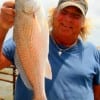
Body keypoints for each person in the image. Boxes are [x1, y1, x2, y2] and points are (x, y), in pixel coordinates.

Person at [0, 0, 100, 100]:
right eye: (64, 12)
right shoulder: (23, 39)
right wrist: (2, 26)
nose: (68, 19)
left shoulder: (93, 53)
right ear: (54, 13)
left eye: (76, 15)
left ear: (83, 22)